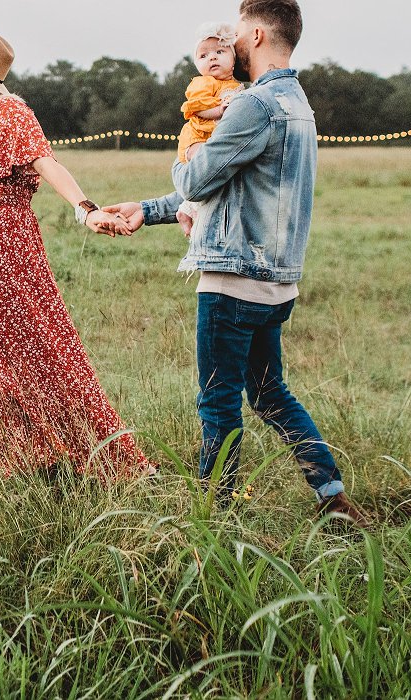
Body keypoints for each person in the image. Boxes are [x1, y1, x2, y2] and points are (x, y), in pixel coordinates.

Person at [102, 0, 371, 525]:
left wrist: (183, 154)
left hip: (233, 280)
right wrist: (147, 210)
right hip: (276, 282)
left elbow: (199, 180)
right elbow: (236, 188)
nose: (229, 44)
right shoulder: (297, 103)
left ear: (255, 35)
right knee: (270, 394)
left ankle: (212, 516)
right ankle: (332, 496)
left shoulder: (254, 105)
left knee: (217, 402)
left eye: (236, 34)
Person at [0, 27, 150, 479]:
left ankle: (62, 448)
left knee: (37, 347)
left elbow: (47, 161)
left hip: (2, 245)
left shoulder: (11, 112)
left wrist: (86, 209)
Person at [175, 22, 244, 236]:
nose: (212, 58)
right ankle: (191, 212)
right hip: (196, 138)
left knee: (215, 173)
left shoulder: (236, 86)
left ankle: (186, 210)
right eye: (203, 56)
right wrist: (219, 110)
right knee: (205, 168)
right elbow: (195, 108)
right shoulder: (204, 83)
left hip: (211, 138)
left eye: (220, 52)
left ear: (234, 59)